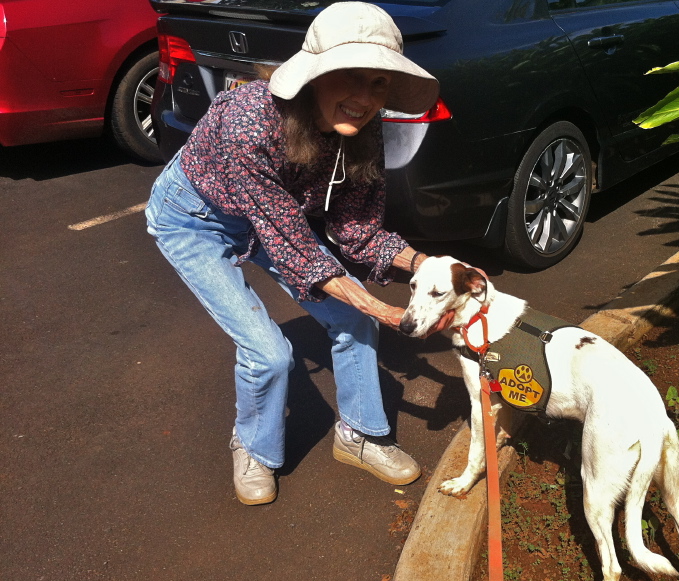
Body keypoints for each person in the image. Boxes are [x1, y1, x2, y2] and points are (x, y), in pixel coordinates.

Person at [145, 2, 450, 506]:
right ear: (313, 77)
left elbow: (356, 231)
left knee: (354, 322)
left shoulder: (362, 130)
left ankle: (359, 435)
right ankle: (255, 449)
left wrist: (434, 268)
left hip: (268, 216)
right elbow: (294, 246)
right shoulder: (248, 122)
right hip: (192, 219)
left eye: (378, 84)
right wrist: (383, 307)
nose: (365, 98)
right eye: (351, 77)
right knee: (269, 354)